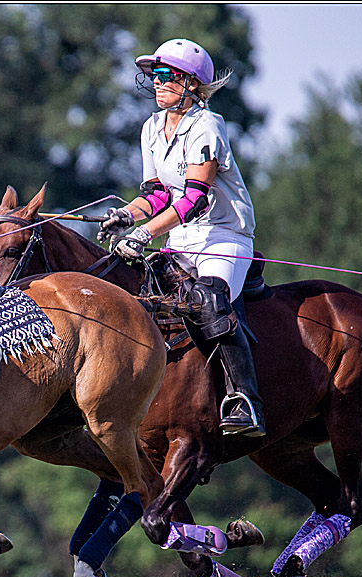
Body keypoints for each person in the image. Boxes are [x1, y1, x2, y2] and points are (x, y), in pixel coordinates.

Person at [99, 38, 265, 437]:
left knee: (209, 301)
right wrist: (126, 215)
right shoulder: (152, 128)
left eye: (164, 75)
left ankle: (244, 399)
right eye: (152, 76)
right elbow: (157, 194)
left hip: (223, 238)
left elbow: (193, 198)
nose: (155, 83)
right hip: (181, 237)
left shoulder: (207, 125)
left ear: (191, 83)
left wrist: (144, 235)